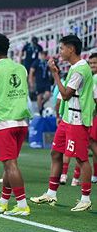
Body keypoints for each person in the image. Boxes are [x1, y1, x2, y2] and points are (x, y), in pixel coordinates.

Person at [30, 35, 94, 212]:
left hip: (77, 120)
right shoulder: (75, 67)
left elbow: (66, 94)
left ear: (71, 49)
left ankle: (86, 198)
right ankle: (51, 193)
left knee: (81, 158)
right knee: (55, 153)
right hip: (68, 118)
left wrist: (55, 74)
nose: (60, 51)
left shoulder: (81, 69)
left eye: (62, 48)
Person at [0, 33, 32, 216]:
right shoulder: (21, 68)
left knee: (10, 165)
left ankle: (22, 204)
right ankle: (3, 201)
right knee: (10, 164)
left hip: (4, 122)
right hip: (21, 121)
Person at [89, 53, 97, 184]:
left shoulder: (94, 78)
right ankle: (95, 175)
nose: (93, 66)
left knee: (93, 143)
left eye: (95, 63)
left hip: (95, 115)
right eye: (91, 63)